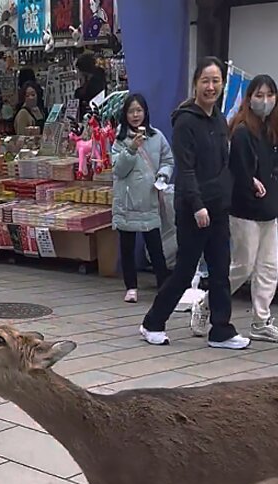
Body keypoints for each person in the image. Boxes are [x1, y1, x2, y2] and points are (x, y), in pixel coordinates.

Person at [140, 57, 250, 350]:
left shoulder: (218, 119)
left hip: (218, 208)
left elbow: (224, 163)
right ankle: (152, 322)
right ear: (195, 84)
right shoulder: (186, 121)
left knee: (220, 270)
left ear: (222, 84)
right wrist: (198, 204)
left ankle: (221, 330)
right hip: (193, 210)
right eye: (205, 81)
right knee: (185, 271)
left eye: (216, 81)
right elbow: (186, 169)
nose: (211, 87)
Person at [211, 74, 278, 341]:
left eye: (270, 95)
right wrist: (251, 181)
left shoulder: (272, 129)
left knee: (269, 267)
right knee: (243, 266)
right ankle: (207, 303)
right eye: (259, 95)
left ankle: (261, 320)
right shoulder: (241, 130)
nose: (265, 101)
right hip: (245, 211)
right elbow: (237, 169)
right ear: (249, 98)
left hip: (271, 210)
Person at [111, 93, 172, 303]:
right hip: (127, 201)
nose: (135, 115)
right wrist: (131, 148)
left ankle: (163, 283)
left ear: (145, 112)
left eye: (139, 110)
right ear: (125, 114)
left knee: (155, 245)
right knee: (126, 246)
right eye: (131, 111)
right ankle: (131, 286)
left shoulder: (157, 137)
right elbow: (119, 170)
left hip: (149, 198)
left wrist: (163, 175)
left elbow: (168, 160)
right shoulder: (120, 139)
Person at [75, 51, 108, 122]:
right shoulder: (100, 77)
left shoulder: (94, 82)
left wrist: (78, 92)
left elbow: (85, 96)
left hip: (92, 117)